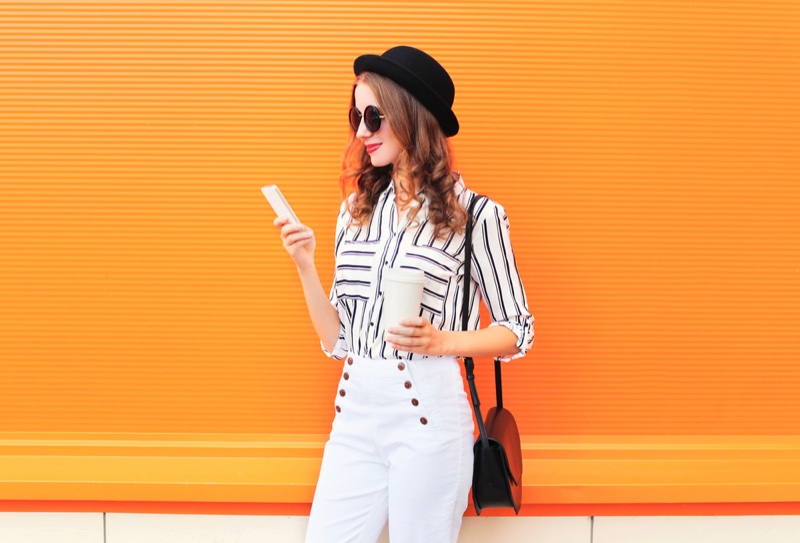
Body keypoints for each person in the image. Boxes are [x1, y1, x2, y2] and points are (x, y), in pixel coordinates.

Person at [274, 45, 533, 543]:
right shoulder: (354, 213)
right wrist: (305, 266)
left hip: (427, 419)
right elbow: (338, 341)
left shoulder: (477, 216)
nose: (361, 132)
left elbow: (517, 330)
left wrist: (442, 343)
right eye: (356, 116)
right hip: (353, 416)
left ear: (412, 119)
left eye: (374, 116)